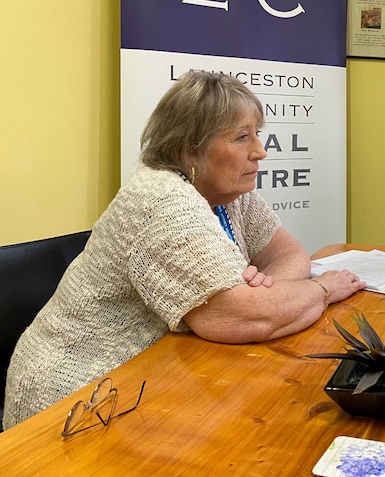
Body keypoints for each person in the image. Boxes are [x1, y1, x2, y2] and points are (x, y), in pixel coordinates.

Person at [3, 71, 366, 429]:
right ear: (189, 148)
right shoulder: (161, 199)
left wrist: (265, 292)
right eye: (241, 137)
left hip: (155, 376)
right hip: (76, 397)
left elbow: (289, 257)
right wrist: (322, 289)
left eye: (257, 134)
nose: (260, 151)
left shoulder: (229, 193)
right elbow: (236, 317)